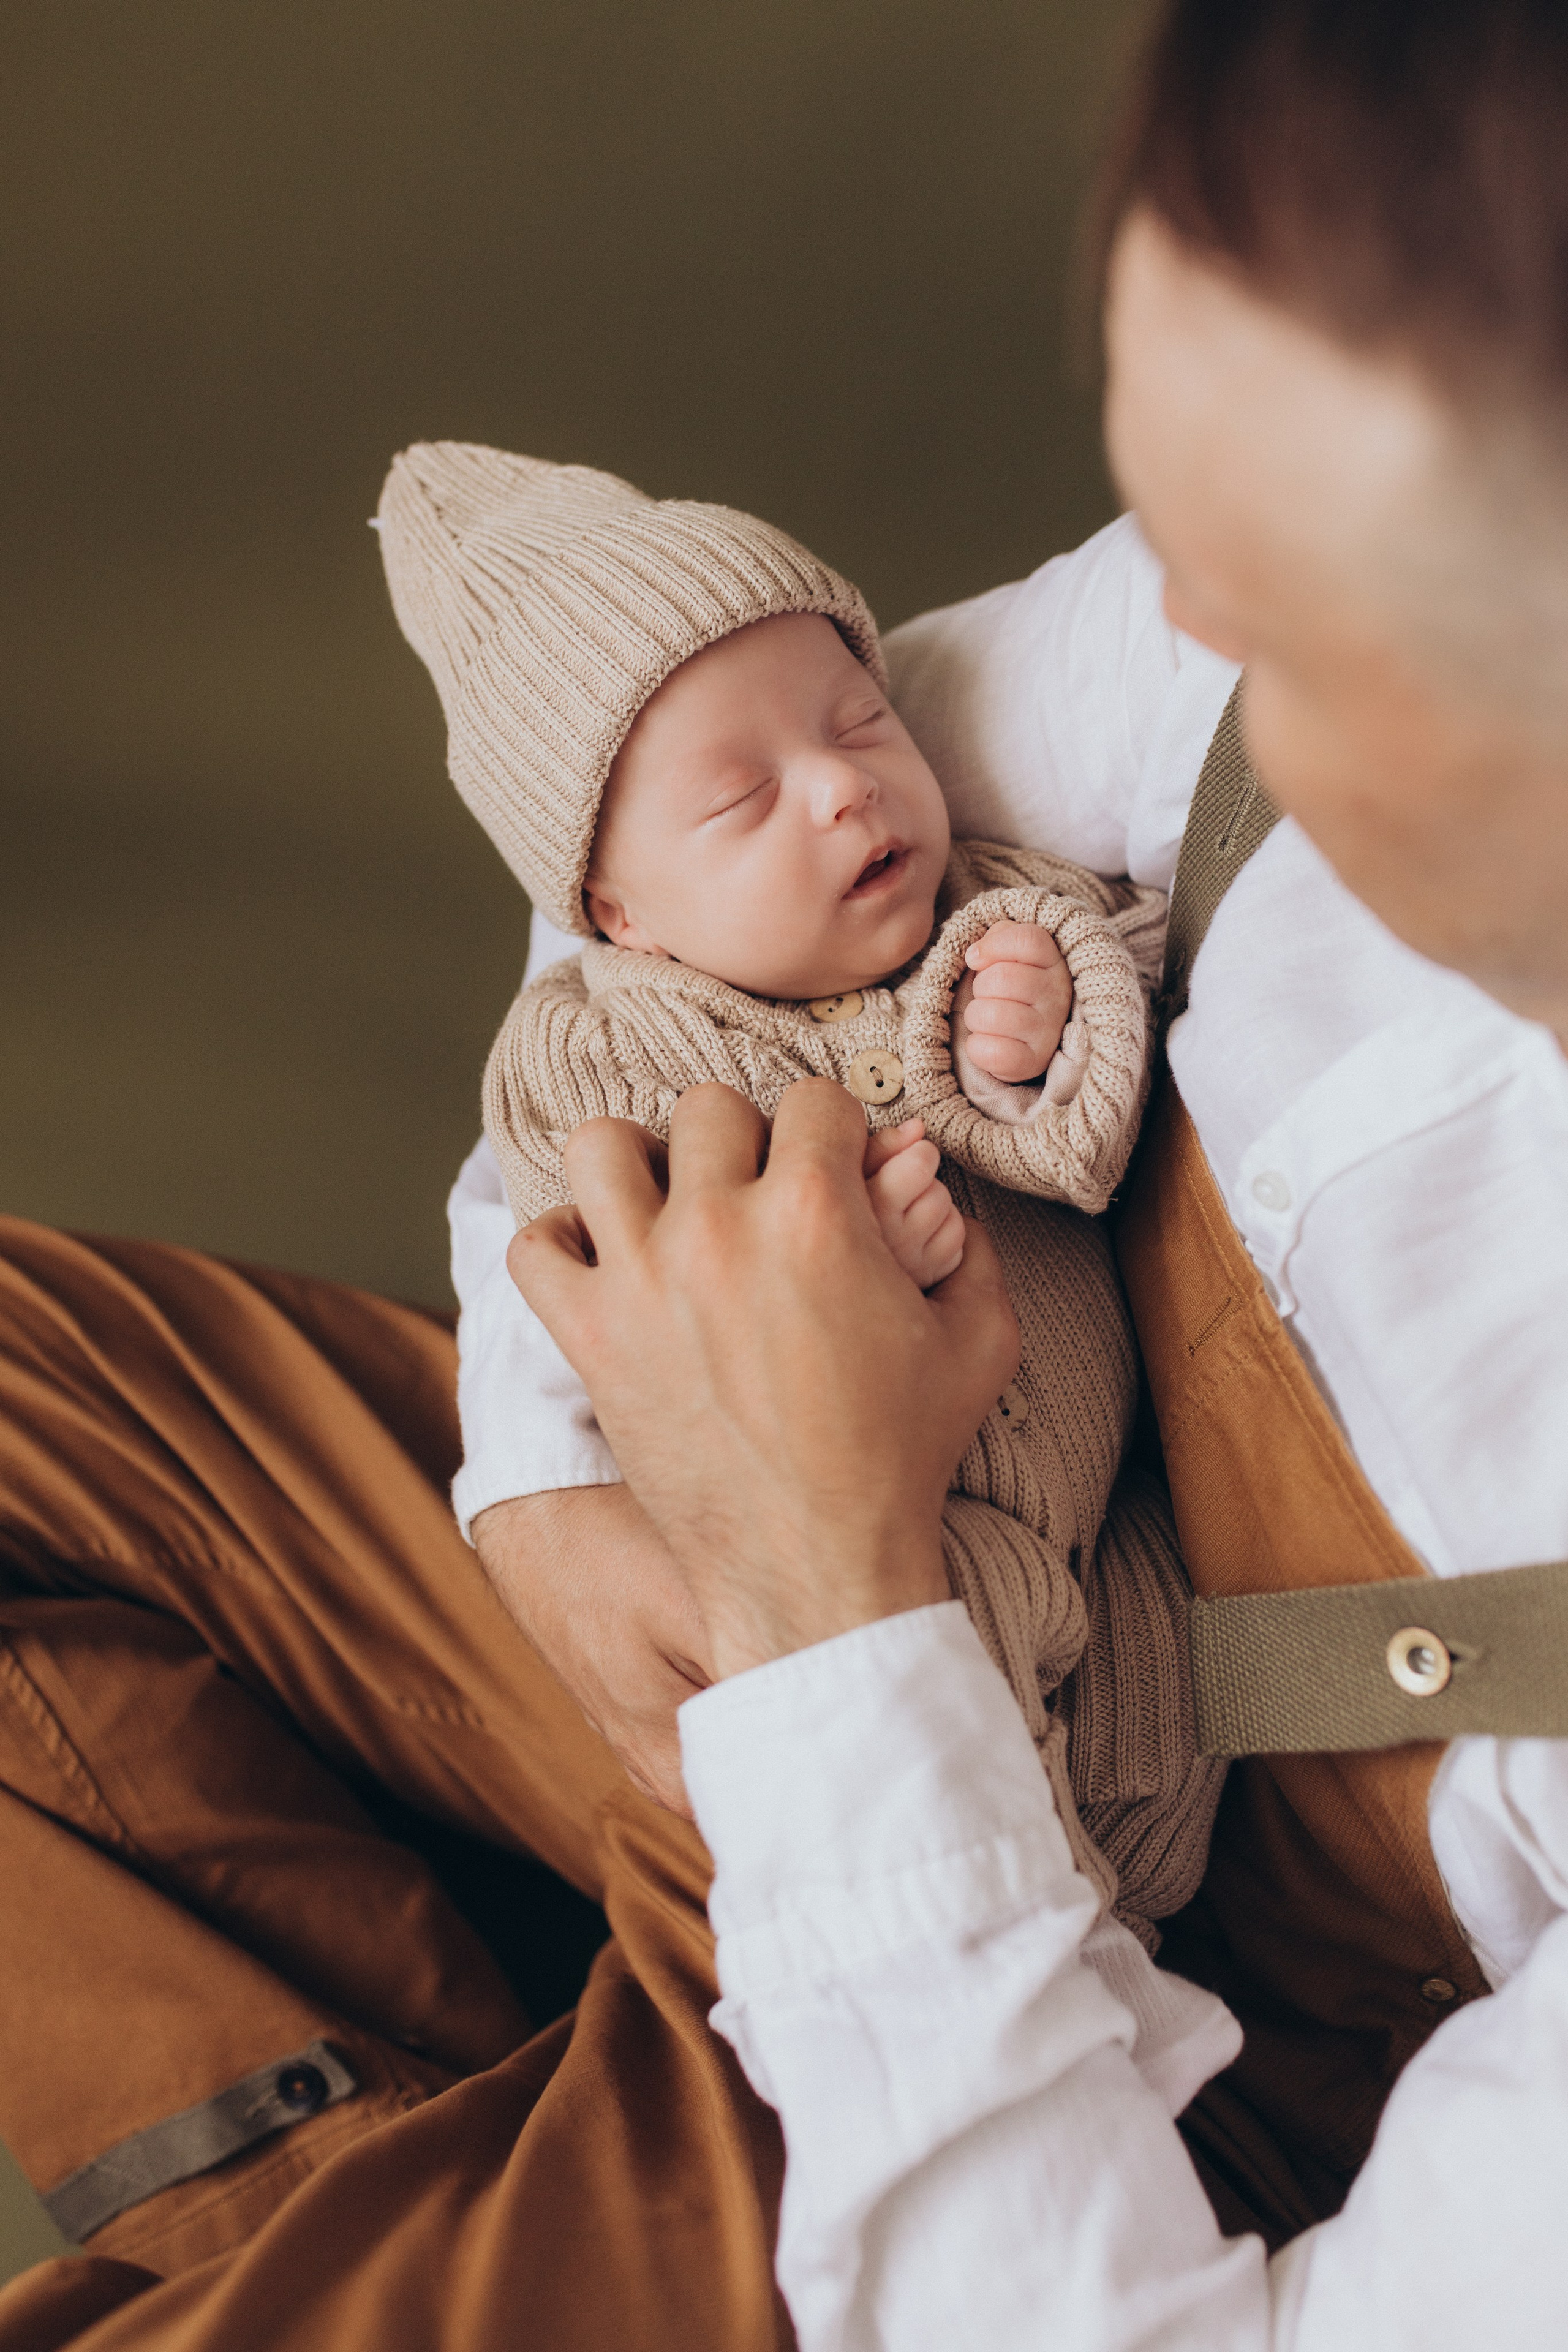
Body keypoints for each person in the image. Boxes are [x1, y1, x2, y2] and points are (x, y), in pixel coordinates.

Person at [0, 1, 1562, 2347]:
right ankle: (447, 2184)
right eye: (1172, 512)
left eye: (1279, 593)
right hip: (720, 1558)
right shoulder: (1307, 538)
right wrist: (552, 1489)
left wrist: (826, 1593)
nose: (1181, 622)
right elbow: (678, 808)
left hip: (1079, 2009)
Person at [376, 439, 1226, 1957]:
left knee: (1171, 1722)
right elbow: (617, 1272)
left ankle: (1135, 1951)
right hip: (874, 1529)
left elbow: (1099, 1104)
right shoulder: (595, 1045)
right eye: (742, 799)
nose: (842, 789)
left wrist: (1032, 1029)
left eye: (860, 721)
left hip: (1118, 1526)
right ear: (613, 915)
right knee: (950, 1778)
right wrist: (824, 1256)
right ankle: (1041, 1974)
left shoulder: (984, 895)